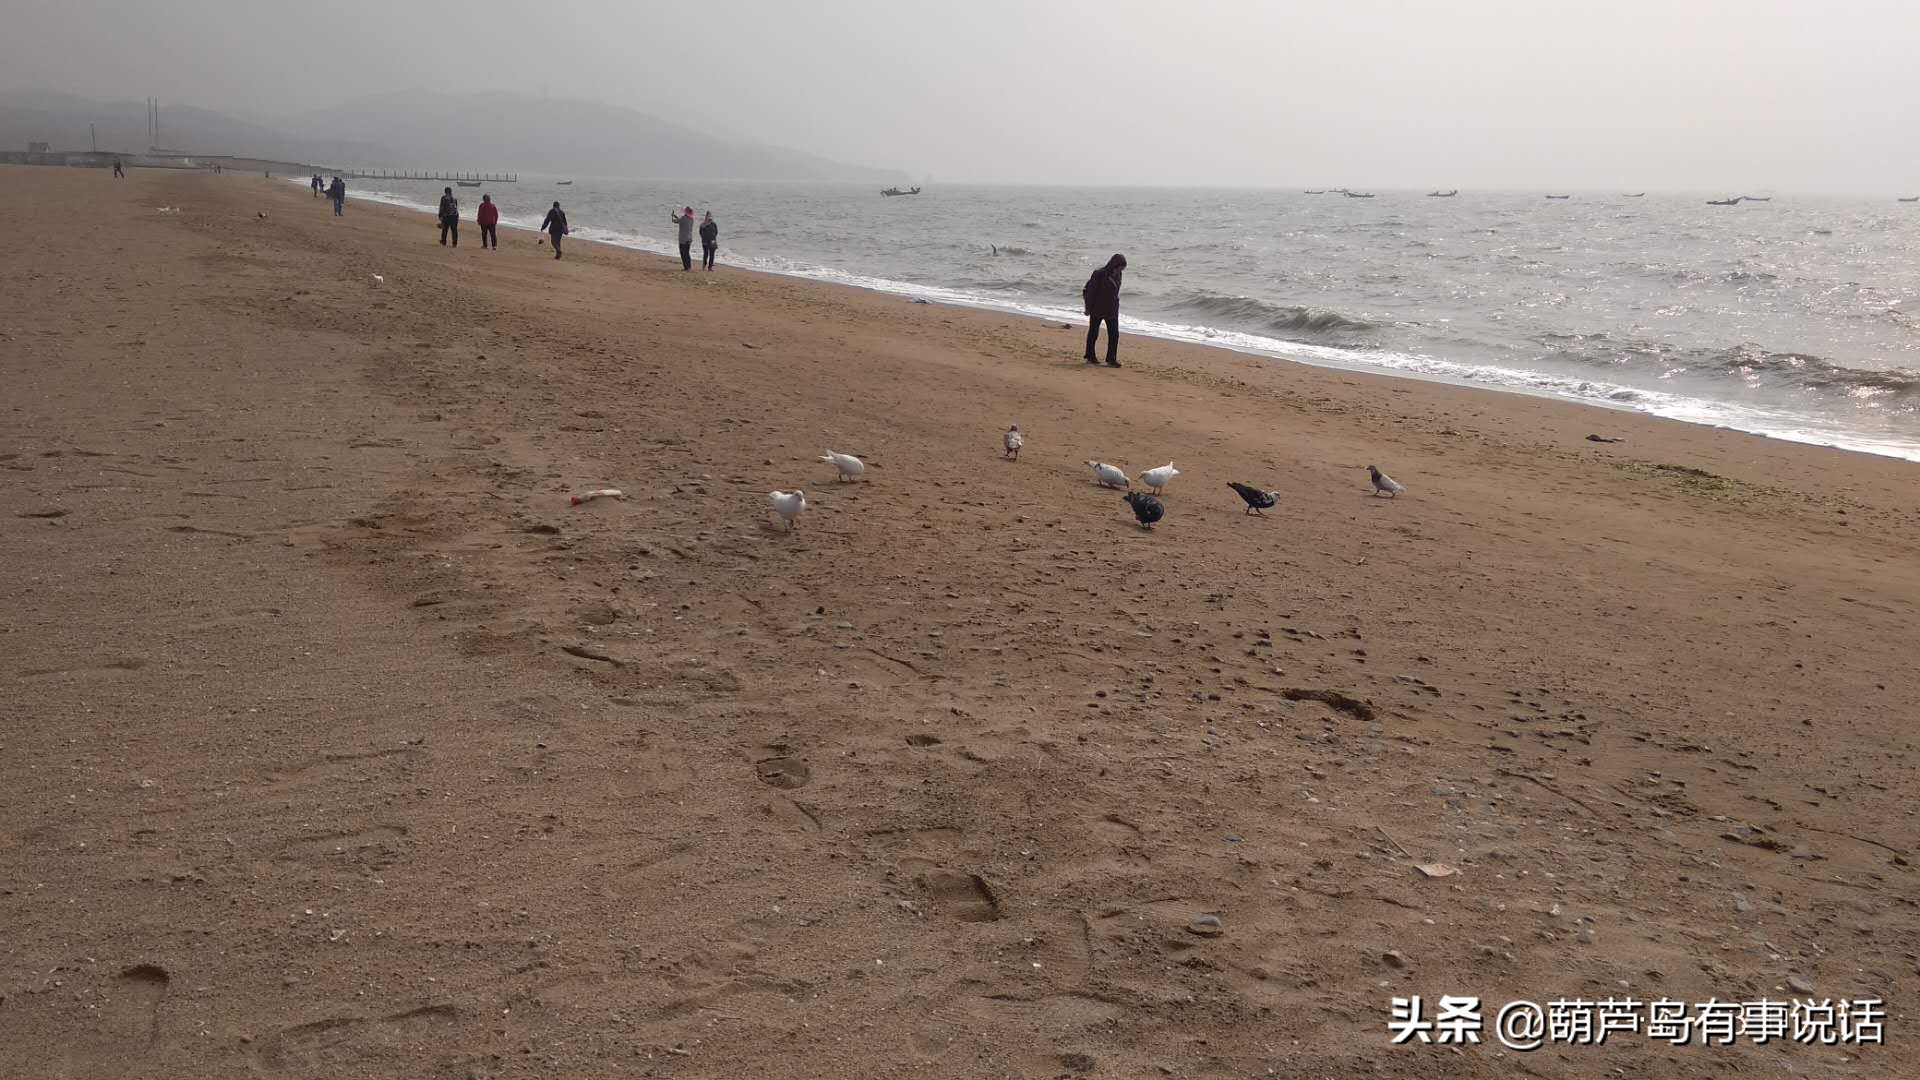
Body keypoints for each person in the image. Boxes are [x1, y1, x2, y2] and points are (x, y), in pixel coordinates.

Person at [1082, 254, 1127, 367]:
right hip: (1097, 307)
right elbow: (1091, 292)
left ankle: (1111, 359)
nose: (1121, 270)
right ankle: (1090, 356)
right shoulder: (1099, 274)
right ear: (1114, 264)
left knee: (1114, 334)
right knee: (1094, 332)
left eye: (1122, 268)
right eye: (1120, 267)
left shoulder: (1119, 274)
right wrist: (1088, 308)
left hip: (1112, 309)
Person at [672, 206, 696, 270]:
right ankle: (689, 266)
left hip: (683, 238)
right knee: (687, 253)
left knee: (683, 253)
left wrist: (673, 216)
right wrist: (676, 216)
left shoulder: (683, 218)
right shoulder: (692, 219)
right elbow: (680, 220)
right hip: (689, 238)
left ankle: (686, 267)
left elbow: (675, 221)